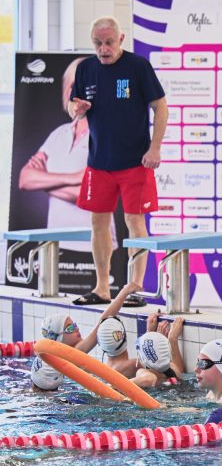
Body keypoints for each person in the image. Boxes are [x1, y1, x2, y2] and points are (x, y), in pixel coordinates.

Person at [68, 16, 168, 307]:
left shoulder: (137, 66)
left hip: (136, 161)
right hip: (99, 161)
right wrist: (78, 108)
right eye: (97, 43)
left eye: (109, 42)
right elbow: (73, 107)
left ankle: (134, 287)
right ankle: (101, 288)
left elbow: (160, 108)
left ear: (121, 39)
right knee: (98, 221)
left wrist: (155, 148)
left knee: (134, 221)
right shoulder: (85, 69)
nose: (103, 49)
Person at [18, 57, 117, 254]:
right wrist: (74, 178)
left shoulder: (109, 133)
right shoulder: (59, 134)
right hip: (55, 246)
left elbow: (95, 195)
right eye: (71, 85)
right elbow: (25, 179)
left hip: (95, 249)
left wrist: (45, 184)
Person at [96, 283, 143, 378]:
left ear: (100, 343)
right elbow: (172, 373)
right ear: (123, 336)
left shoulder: (102, 370)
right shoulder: (134, 365)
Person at [131, 317, 185, 389]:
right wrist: (172, 338)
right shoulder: (174, 369)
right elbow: (181, 373)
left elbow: (148, 379)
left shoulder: (143, 372)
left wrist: (112, 386)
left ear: (143, 359)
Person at [41, 308, 115, 354]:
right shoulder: (71, 355)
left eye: (74, 325)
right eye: (70, 328)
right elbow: (101, 324)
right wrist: (124, 292)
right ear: (58, 338)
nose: (77, 329)